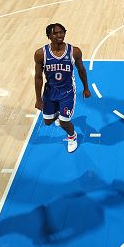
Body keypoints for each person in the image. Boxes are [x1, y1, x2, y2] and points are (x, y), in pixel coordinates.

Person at [34, 23, 91, 153]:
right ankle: (62, 115)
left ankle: (72, 136)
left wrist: (86, 88)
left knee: (64, 122)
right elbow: (38, 77)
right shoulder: (40, 54)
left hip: (67, 92)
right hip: (50, 92)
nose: (60, 35)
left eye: (62, 32)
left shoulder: (74, 51)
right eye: (56, 33)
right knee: (48, 122)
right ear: (49, 36)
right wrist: (38, 99)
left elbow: (81, 70)